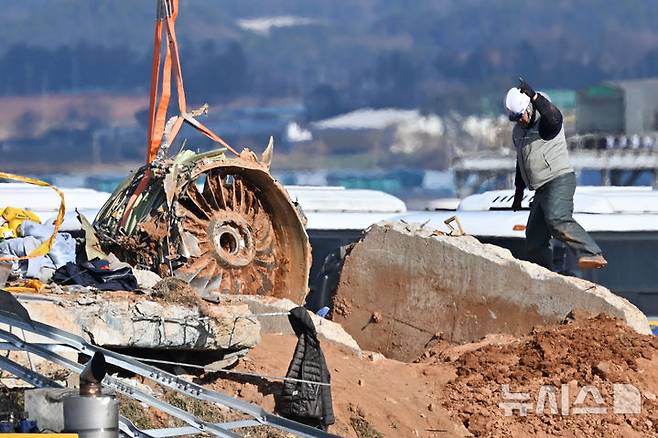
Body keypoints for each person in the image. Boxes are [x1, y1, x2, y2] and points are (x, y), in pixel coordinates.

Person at [505, 78, 607, 270]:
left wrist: (535, 97)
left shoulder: (545, 124)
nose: (519, 120)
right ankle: (544, 273)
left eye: (521, 116)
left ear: (529, 109)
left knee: (557, 218)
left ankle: (591, 253)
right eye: (515, 117)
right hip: (541, 189)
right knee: (534, 238)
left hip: (559, 180)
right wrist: (518, 192)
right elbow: (521, 162)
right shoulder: (518, 132)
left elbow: (555, 116)